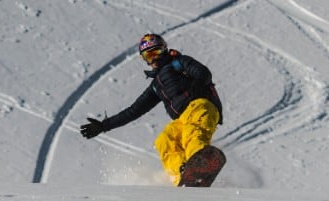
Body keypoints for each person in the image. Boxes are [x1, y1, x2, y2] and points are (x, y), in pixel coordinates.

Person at [80, 33, 223, 185]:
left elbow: (204, 73)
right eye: (148, 56)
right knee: (164, 140)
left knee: (192, 133)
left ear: (164, 50)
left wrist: (195, 88)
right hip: (182, 118)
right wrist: (104, 125)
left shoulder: (179, 63)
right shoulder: (156, 86)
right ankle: (182, 173)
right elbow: (134, 110)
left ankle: (201, 166)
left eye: (156, 52)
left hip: (201, 106)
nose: (153, 59)